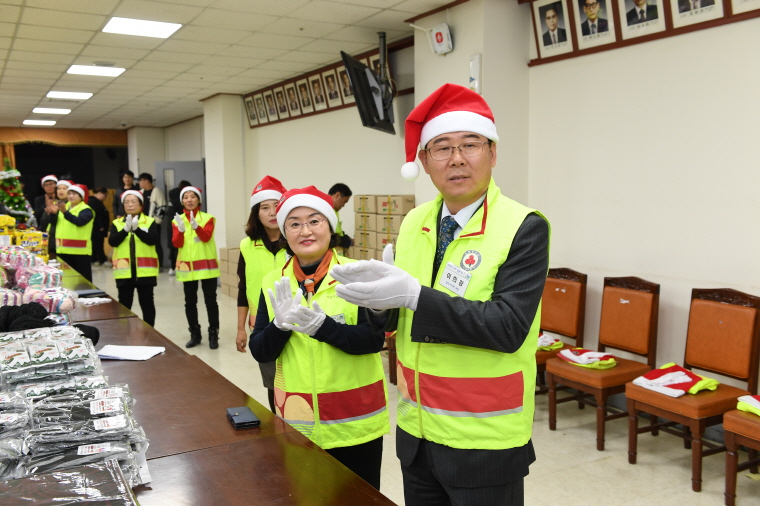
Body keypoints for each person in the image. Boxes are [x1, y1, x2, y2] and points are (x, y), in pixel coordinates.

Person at [331, 83, 551, 506]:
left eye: (470, 145)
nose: (457, 159)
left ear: (492, 153)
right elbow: (402, 319)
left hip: (483, 438)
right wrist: (379, 305)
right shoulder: (415, 221)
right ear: (425, 162)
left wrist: (414, 295)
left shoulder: (523, 226)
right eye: (442, 147)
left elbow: (508, 327)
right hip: (417, 433)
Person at [250, 186, 389, 490]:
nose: (306, 231)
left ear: (330, 225)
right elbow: (260, 349)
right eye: (295, 223)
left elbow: (371, 341)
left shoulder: (356, 274)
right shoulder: (273, 282)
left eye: (315, 221)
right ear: (284, 232)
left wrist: (324, 328)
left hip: (355, 420)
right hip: (298, 423)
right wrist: (280, 327)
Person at [236, 176, 288, 414]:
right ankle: (278, 425)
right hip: (263, 324)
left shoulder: (296, 240)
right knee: (272, 381)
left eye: (276, 206)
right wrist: (239, 328)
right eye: (264, 208)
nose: (271, 213)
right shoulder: (247, 246)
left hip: (296, 320)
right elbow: (242, 287)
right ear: (256, 214)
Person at [171, 186, 220, 349]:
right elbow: (176, 244)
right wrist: (180, 230)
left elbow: (206, 238)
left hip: (207, 267)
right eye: (186, 197)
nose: (189, 200)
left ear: (199, 200)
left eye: (193, 197)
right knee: (190, 302)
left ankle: (214, 333)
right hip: (187, 268)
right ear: (182, 201)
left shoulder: (208, 218)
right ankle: (195, 334)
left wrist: (195, 226)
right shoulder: (176, 220)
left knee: (210, 301)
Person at [108, 190, 159, 327]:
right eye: (126, 202)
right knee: (124, 306)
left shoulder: (149, 222)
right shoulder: (117, 223)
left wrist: (136, 230)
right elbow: (112, 242)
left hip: (145, 273)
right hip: (124, 273)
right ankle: (124, 332)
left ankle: (150, 332)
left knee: (147, 304)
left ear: (141, 204)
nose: (130, 205)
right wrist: (125, 230)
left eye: (133, 201)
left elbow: (152, 240)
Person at [54, 183, 96, 282]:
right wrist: (51, 214)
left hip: (80, 252)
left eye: (74, 194)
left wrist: (65, 212)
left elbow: (79, 222)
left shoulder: (86, 210)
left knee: (82, 281)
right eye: (69, 194)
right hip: (62, 250)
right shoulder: (64, 207)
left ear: (81, 197)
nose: (71, 196)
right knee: (66, 280)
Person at [138, 173, 167, 270]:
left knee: (156, 244)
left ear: (146, 180)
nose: (139, 182)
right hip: (142, 223)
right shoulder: (141, 192)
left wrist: (156, 221)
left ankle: (159, 265)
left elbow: (162, 207)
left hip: (153, 223)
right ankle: (147, 263)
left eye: (140, 180)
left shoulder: (156, 191)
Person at [39, 180, 72, 260]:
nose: (61, 191)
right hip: (51, 241)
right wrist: (49, 213)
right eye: (59, 188)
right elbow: (44, 223)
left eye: (64, 188)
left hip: (65, 243)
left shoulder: (71, 205)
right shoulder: (53, 204)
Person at [166, 180, 190, 276]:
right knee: (179, 247)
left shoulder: (172, 199)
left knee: (172, 247)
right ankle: (180, 266)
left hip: (170, 225)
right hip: (180, 224)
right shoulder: (180, 201)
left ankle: (172, 267)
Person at [88, 187, 110, 266]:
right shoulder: (93, 202)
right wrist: (101, 225)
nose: (105, 198)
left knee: (97, 244)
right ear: (100, 193)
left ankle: (95, 259)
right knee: (98, 244)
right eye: (105, 195)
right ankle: (102, 260)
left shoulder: (97, 202)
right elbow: (97, 215)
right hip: (97, 228)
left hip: (98, 228)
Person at [328, 183, 352, 249]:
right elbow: (329, 237)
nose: (343, 205)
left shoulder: (334, 211)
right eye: (344, 201)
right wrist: (349, 242)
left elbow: (338, 232)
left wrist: (347, 238)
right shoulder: (325, 211)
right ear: (337, 195)